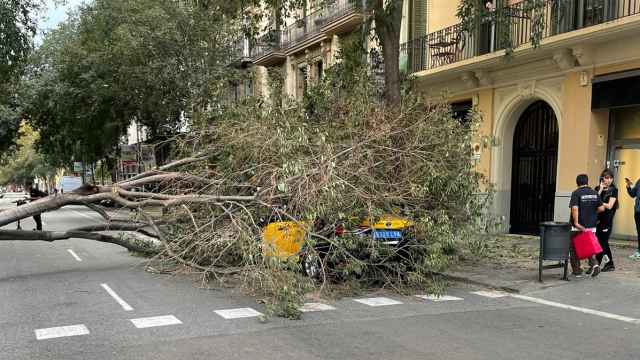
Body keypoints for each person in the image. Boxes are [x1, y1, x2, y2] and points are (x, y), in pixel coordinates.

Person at [569, 174, 605, 277]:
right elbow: (602, 208)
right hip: (592, 226)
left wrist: (576, 223)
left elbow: (574, 208)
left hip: (578, 227)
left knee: (573, 248)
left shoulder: (576, 193)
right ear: (587, 182)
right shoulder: (594, 193)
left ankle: (577, 271)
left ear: (577, 182)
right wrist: (592, 213)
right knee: (589, 247)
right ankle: (595, 265)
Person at [595, 169, 617, 271]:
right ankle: (604, 263)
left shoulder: (613, 190)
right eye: (606, 178)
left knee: (602, 242)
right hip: (597, 220)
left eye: (610, 178)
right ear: (602, 178)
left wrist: (600, 203)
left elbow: (609, 206)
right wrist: (599, 190)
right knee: (599, 242)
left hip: (607, 221)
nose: (608, 180)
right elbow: (593, 202)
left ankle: (604, 263)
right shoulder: (597, 189)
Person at [625, 176, 640, 259]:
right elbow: (633, 194)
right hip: (638, 211)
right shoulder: (639, 181)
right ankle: (639, 251)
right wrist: (628, 187)